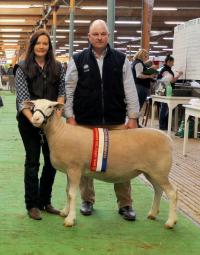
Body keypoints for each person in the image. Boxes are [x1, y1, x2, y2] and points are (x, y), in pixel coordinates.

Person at [65, 19, 140, 221]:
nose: (99, 37)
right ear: (89, 37)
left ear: (109, 35)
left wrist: (132, 117)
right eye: (95, 34)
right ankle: (87, 200)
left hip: (116, 122)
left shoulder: (122, 59)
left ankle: (125, 204)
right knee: (85, 163)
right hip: (85, 123)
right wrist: (70, 116)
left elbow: (130, 90)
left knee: (123, 162)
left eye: (103, 34)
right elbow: (69, 90)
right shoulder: (77, 60)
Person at [14, 29, 65, 220]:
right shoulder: (22, 67)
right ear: (32, 46)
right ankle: (32, 205)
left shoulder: (58, 67)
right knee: (33, 162)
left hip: (51, 123)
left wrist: (57, 115)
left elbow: (61, 93)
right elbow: (22, 99)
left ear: (49, 46)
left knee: (52, 162)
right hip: (29, 122)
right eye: (38, 43)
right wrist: (34, 120)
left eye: (45, 43)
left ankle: (46, 201)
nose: (42, 47)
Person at [157, 54, 183, 130]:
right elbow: (171, 80)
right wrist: (179, 75)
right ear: (168, 62)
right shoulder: (165, 70)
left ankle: (164, 125)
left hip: (165, 91)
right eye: (172, 62)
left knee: (165, 108)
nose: (173, 64)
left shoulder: (166, 69)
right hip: (165, 91)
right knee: (164, 108)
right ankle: (162, 126)